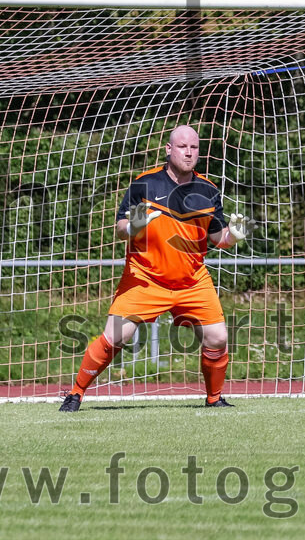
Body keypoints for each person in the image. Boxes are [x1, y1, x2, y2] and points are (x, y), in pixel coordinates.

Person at [59, 125, 255, 412]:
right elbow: (120, 228)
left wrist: (233, 236)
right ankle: (75, 394)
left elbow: (217, 238)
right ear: (168, 149)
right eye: (182, 147)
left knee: (218, 338)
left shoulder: (209, 190)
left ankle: (214, 399)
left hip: (192, 281)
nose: (188, 153)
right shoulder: (145, 184)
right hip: (145, 278)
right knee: (115, 336)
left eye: (194, 148)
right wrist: (133, 226)